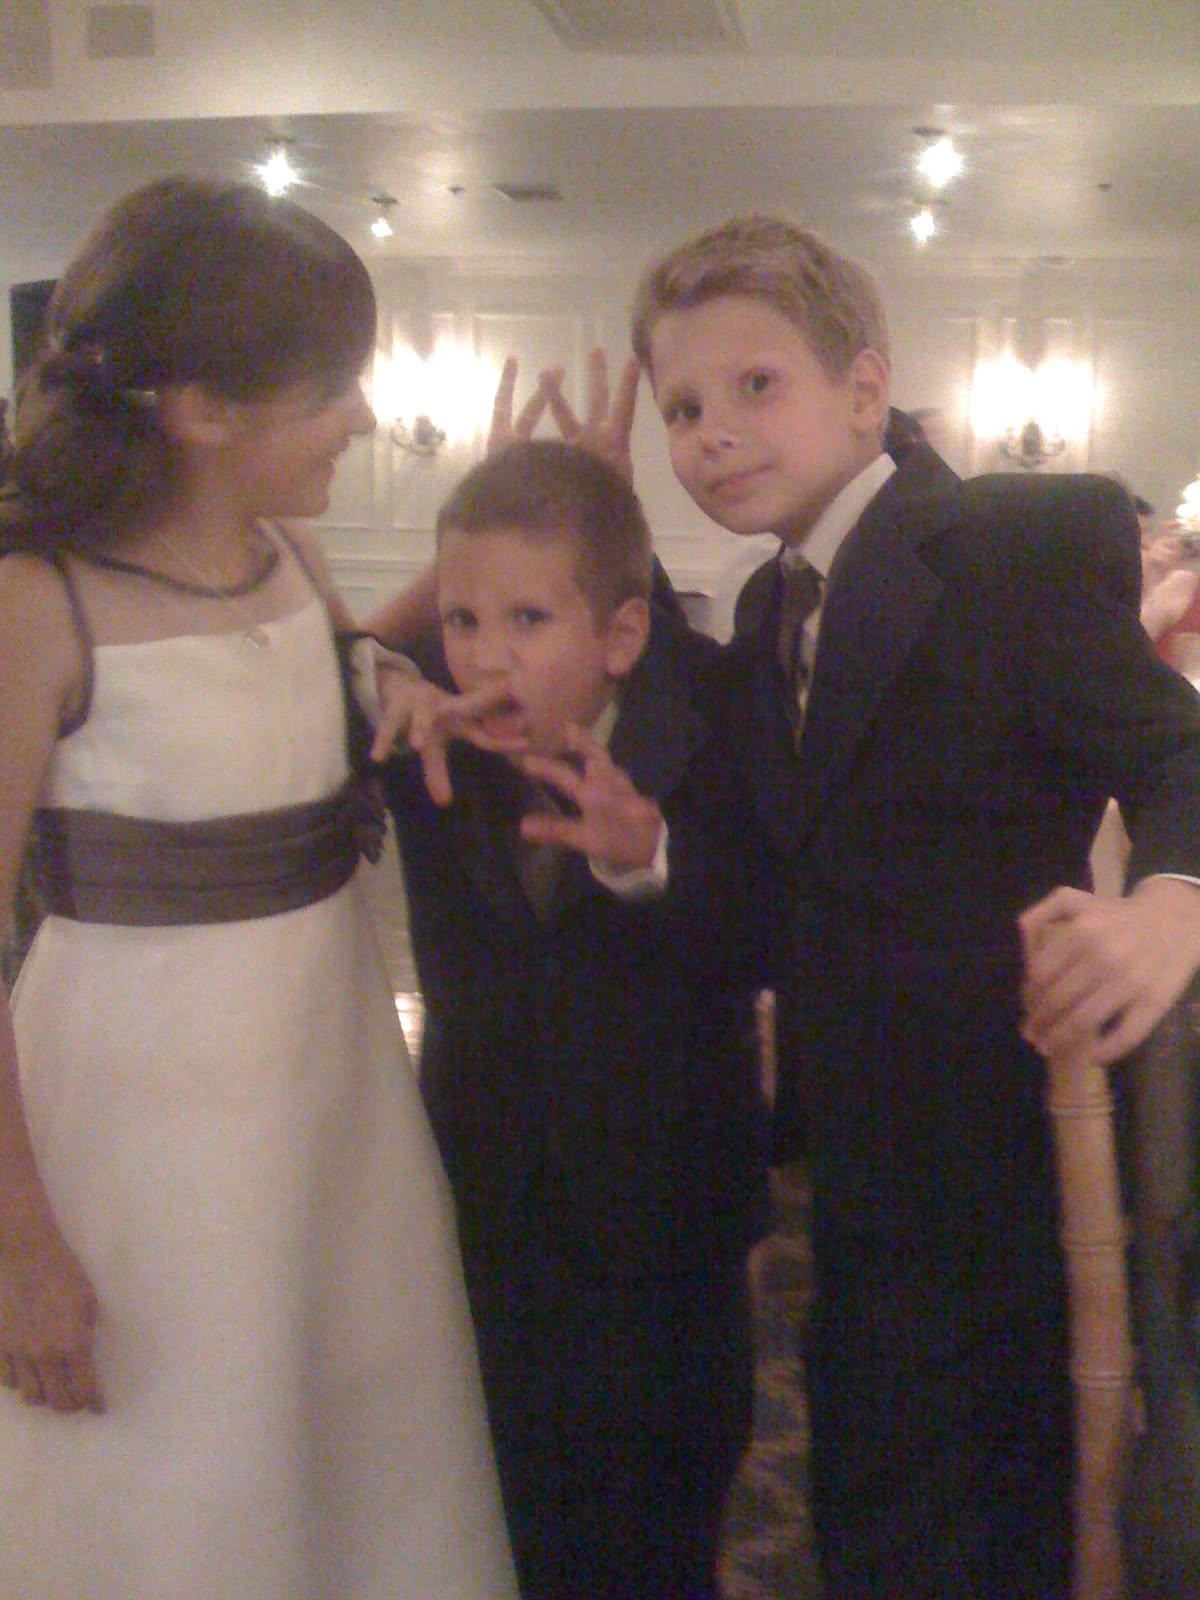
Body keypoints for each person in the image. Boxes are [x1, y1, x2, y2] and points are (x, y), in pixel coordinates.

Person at [521, 214, 1200, 1597]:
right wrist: (647, 856)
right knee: (868, 1501)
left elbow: (1181, 754)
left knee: (993, 1521)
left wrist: (1174, 901)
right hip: (853, 1166)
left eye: (755, 385)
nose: (713, 431)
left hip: (1010, 1149)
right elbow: (785, 888)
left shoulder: (1010, 545)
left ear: (864, 388)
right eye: (683, 409)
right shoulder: (769, 607)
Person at [0, 177, 517, 1600]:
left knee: (347, 1446)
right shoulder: (38, 601)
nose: (363, 417)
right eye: (330, 389)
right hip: (139, 1137)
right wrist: (22, 1245)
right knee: (179, 1475)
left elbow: (327, 661)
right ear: (200, 410)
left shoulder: (286, 548)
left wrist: (392, 671)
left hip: (331, 1089)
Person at [368, 438, 775, 1600]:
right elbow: (324, 654)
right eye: (462, 621)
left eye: (529, 620)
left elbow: (764, 936)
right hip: (487, 1200)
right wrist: (393, 666)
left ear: (621, 636)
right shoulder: (427, 735)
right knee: (506, 1505)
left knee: (665, 1517)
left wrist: (650, 858)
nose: (485, 655)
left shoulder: (709, 721)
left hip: (667, 1215)